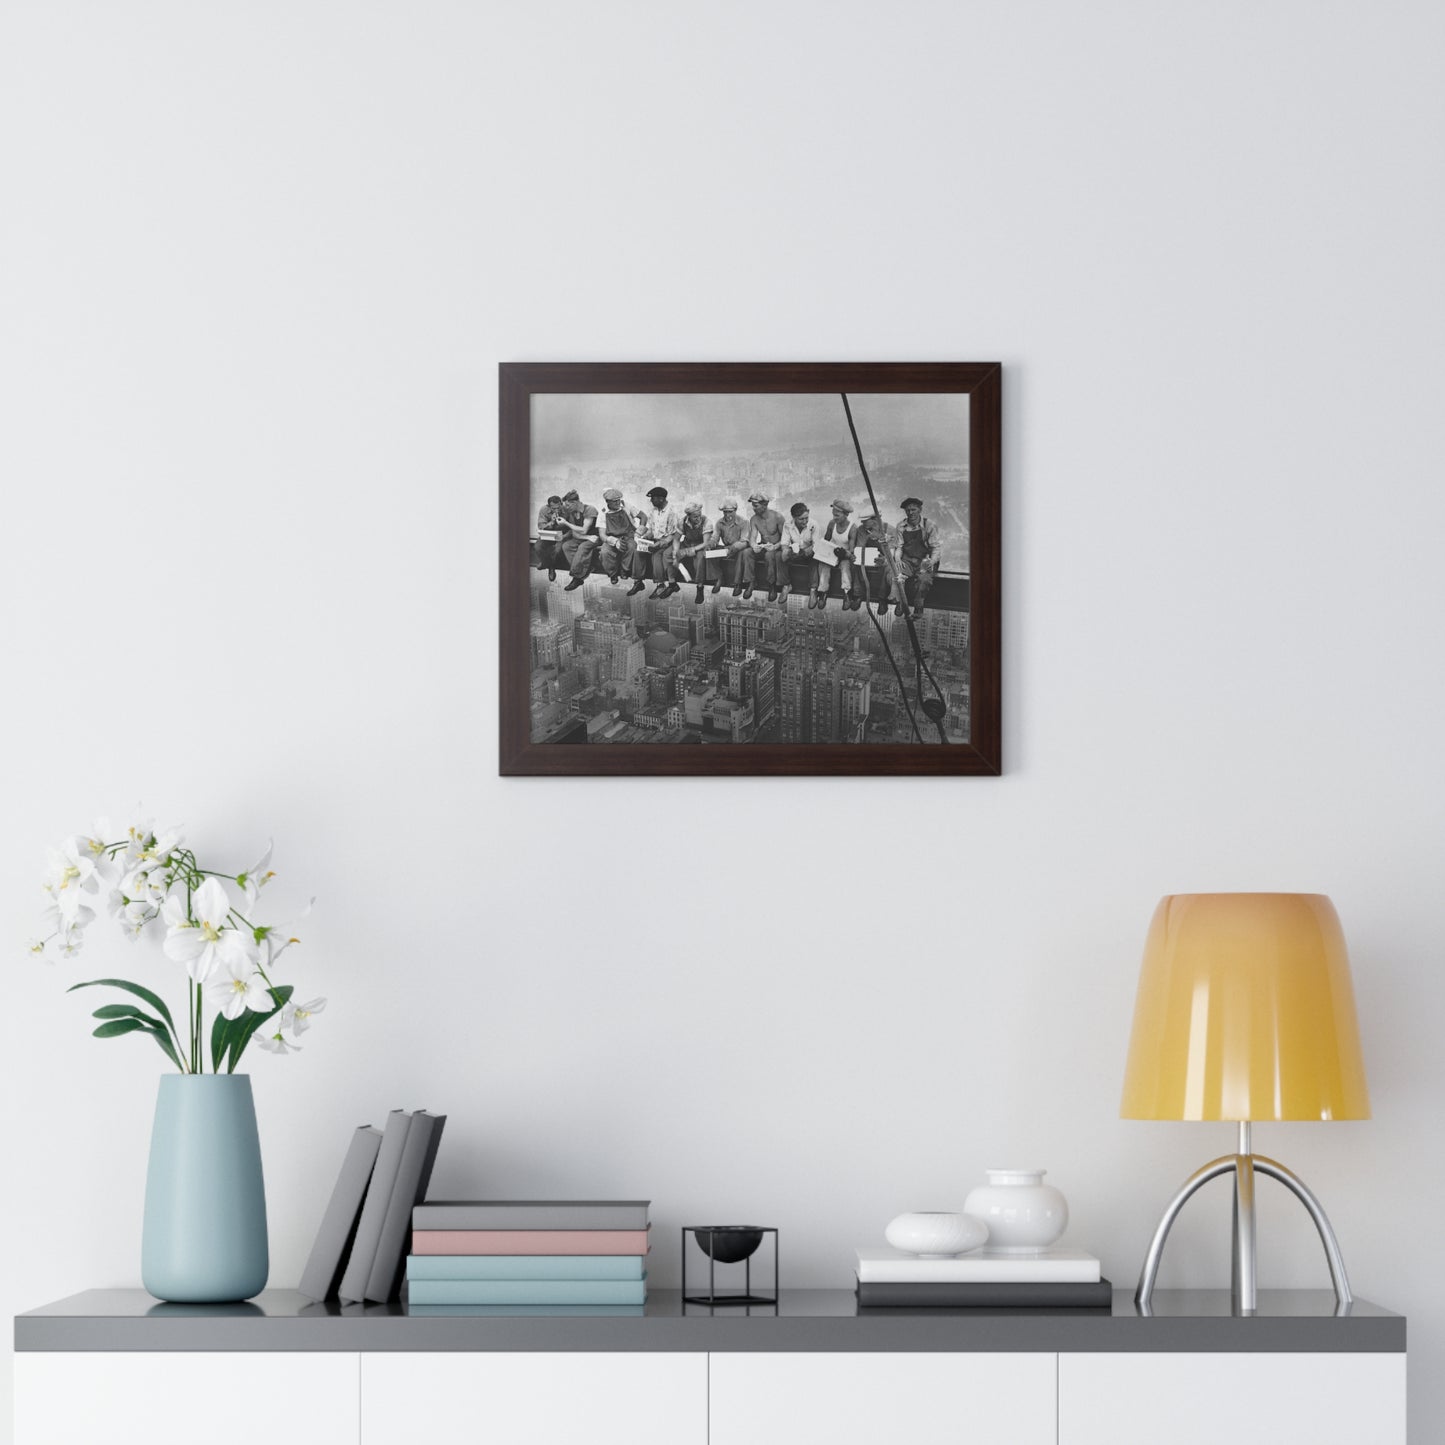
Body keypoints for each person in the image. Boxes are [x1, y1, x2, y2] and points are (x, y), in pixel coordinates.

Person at [895, 496, 941, 618]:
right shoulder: (901, 526)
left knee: (924, 579)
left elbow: (936, 547)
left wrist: (932, 561)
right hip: (908, 559)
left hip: (925, 560)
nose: (911, 513)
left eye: (913, 509)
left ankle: (918, 606)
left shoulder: (929, 525)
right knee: (898, 575)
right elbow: (899, 546)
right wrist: (898, 559)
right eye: (908, 510)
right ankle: (901, 603)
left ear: (920, 510)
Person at [635, 485, 680, 599]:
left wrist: (660, 543)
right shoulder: (653, 511)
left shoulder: (672, 512)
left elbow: (674, 534)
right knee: (639, 551)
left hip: (669, 542)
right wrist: (645, 537)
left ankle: (662, 585)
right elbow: (651, 529)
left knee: (657, 555)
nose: (651, 501)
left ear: (661, 499)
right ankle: (638, 581)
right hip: (656, 540)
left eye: (653, 498)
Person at [745, 491, 789, 602]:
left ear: (764, 505)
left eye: (756, 506)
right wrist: (754, 546)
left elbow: (785, 539)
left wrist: (775, 546)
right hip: (764, 546)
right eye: (753, 506)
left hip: (777, 547)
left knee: (769, 556)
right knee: (747, 552)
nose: (753, 508)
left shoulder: (778, 517)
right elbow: (753, 537)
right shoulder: (754, 519)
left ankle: (771, 585)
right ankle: (751, 582)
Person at [853, 509, 897, 613]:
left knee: (887, 568)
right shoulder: (861, 530)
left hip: (884, 559)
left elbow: (891, 553)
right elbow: (860, 547)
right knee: (856, 564)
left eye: (865, 521)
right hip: (867, 558)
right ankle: (858, 594)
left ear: (875, 519)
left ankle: (882, 599)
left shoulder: (890, 530)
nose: (862, 523)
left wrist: (884, 559)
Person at [556, 489, 599, 591]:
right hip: (585, 538)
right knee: (567, 546)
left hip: (595, 538)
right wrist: (586, 537)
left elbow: (584, 530)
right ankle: (584, 570)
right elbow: (575, 533)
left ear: (575, 503)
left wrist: (566, 523)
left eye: (568, 505)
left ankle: (576, 577)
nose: (566, 508)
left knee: (583, 547)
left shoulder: (590, 509)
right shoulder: (572, 513)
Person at [711, 499, 753, 596]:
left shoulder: (743, 522)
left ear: (735, 510)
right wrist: (711, 544)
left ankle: (737, 584)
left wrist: (735, 547)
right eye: (725, 512)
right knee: (711, 553)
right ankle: (719, 577)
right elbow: (715, 537)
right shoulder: (719, 523)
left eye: (730, 512)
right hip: (726, 548)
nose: (727, 514)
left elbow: (745, 541)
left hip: (738, 548)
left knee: (741, 554)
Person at [597, 488, 637, 586]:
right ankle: (612, 574)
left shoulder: (626, 506)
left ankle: (625, 570)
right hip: (612, 538)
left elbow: (642, 516)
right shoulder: (603, 513)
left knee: (631, 547)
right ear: (608, 502)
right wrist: (614, 542)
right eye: (615, 501)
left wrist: (640, 529)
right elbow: (602, 535)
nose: (618, 503)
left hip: (627, 536)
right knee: (604, 552)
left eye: (619, 500)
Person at [673, 501, 711, 603]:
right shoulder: (682, 522)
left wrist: (692, 550)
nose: (698, 518)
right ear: (688, 516)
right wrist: (676, 551)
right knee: (672, 556)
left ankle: (699, 587)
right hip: (687, 543)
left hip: (700, 546)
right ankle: (672, 583)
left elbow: (706, 543)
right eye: (695, 517)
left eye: (699, 515)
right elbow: (676, 539)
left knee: (700, 559)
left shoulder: (707, 522)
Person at [786, 503, 818, 607]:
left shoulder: (814, 525)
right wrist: (788, 551)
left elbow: (816, 545)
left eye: (806, 518)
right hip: (795, 553)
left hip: (809, 553)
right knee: (781, 557)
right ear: (794, 518)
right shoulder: (787, 525)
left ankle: (813, 590)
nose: (805, 521)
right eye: (801, 519)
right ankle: (786, 585)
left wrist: (807, 551)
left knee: (814, 560)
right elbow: (784, 543)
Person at [536, 494, 565, 582]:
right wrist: (551, 522)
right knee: (537, 547)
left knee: (557, 550)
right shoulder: (544, 510)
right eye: (553, 508)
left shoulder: (566, 509)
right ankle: (546, 563)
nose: (556, 510)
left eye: (558, 507)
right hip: (548, 534)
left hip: (561, 534)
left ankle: (551, 568)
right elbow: (541, 527)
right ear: (549, 506)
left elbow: (572, 525)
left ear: (561, 504)